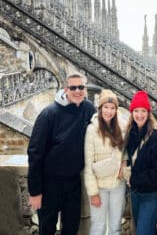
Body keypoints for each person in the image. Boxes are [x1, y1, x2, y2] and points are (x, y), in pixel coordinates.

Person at [27, 72, 96, 235]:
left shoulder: (88, 109)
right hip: (49, 182)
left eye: (81, 87)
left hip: (73, 181)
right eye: (73, 87)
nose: (78, 91)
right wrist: (35, 191)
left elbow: (106, 127)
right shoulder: (49, 114)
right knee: (47, 228)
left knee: (71, 228)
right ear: (66, 89)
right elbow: (35, 153)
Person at [124, 90, 157, 235]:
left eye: (143, 111)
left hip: (152, 194)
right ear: (131, 113)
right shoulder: (130, 134)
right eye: (136, 111)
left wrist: (134, 179)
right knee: (148, 230)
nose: (139, 115)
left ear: (148, 113)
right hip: (135, 194)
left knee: (143, 232)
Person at [84, 89, 127, 235]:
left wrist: (123, 165)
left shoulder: (122, 127)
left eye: (113, 108)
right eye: (106, 107)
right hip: (100, 187)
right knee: (98, 226)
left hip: (117, 184)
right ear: (100, 108)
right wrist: (93, 193)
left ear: (116, 109)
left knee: (115, 227)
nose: (109, 111)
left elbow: (128, 151)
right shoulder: (92, 129)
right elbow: (88, 165)